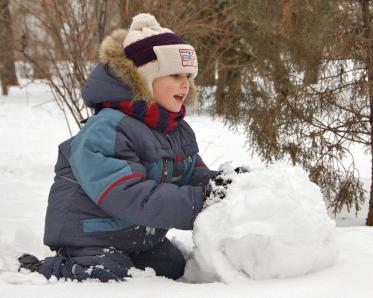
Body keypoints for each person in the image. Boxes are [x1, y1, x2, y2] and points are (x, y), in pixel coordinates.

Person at [18, 13, 235, 282]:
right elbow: (130, 195)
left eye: (189, 76)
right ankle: (49, 270)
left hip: (136, 236)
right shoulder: (108, 129)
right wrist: (201, 199)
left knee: (176, 268)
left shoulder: (175, 129)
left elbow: (192, 173)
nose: (185, 84)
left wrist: (227, 185)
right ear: (143, 79)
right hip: (88, 234)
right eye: (175, 74)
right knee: (108, 271)